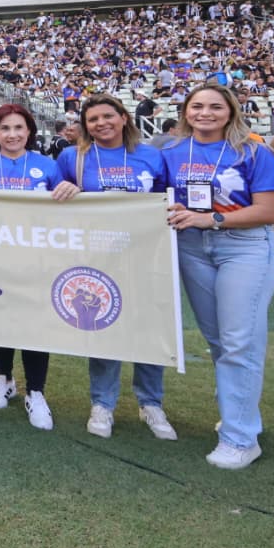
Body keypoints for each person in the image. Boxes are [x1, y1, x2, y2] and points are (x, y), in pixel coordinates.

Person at [163, 84, 274, 469]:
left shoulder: (253, 151)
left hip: (243, 246)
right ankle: (242, 416)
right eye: (197, 106)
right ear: (185, 111)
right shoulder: (171, 152)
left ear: (230, 111)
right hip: (192, 247)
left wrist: (211, 217)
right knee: (219, 340)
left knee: (238, 341)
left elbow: (268, 211)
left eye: (216, 107)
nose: (205, 113)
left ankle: (240, 438)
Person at [57, 94, 179, 442]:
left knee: (148, 326)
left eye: (108, 116)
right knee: (102, 325)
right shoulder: (73, 157)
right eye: (93, 119)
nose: (101, 124)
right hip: (98, 256)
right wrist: (64, 188)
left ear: (124, 117)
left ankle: (151, 403)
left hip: (147, 254)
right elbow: (55, 202)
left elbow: (166, 199)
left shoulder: (151, 155)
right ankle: (102, 403)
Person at [0, 104, 78, 431]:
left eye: (19, 128)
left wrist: (72, 191)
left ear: (30, 131)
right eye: (5, 129)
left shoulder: (48, 165)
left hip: (38, 259)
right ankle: (3, 376)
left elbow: (67, 206)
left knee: (34, 323)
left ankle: (36, 391)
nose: (12, 134)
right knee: (1, 319)